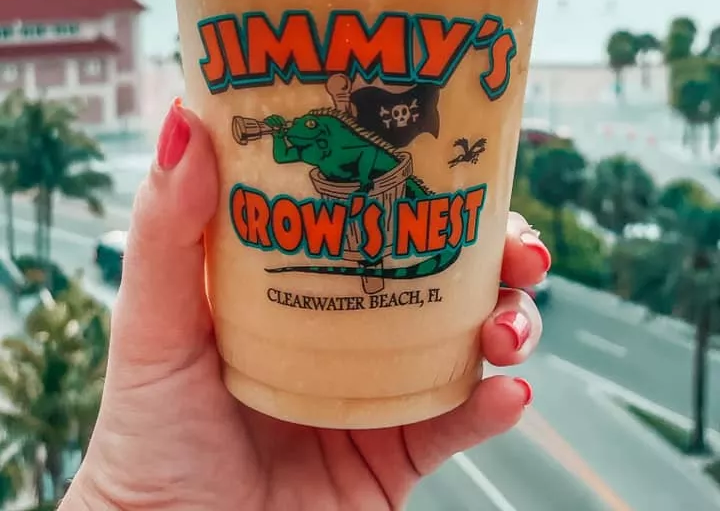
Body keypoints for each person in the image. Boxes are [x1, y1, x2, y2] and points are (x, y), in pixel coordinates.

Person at [61, 101, 550, 511]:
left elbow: (362, 162)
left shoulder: (350, 144)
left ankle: (382, 262)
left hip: (388, 195)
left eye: (309, 129)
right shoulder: (320, 138)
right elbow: (292, 151)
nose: (300, 135)